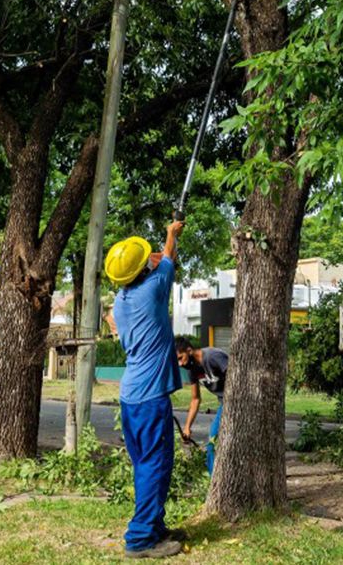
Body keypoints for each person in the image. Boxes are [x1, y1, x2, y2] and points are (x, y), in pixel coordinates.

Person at [105, 220, 184, 559]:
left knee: (145, 464)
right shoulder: (153, 291)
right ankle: (140, 539)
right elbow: (168, 258)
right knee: (156, 464)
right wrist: (171, 235)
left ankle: (154, 525)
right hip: (151, 398)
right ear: (143, 271)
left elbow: (155, 264)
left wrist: (148, 261)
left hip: (130, 396)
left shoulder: (121, 304)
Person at [175, 338, 228, 474]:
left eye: (181, 358)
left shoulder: (213, 356)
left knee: (216, 442)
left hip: (236, 404)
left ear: (189, 350)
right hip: (224, 404)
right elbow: (195, 399)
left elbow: (238, 378)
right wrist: (187, 427)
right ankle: (214, 483)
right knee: (212, 443)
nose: (180, 364)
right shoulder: (192, 369)